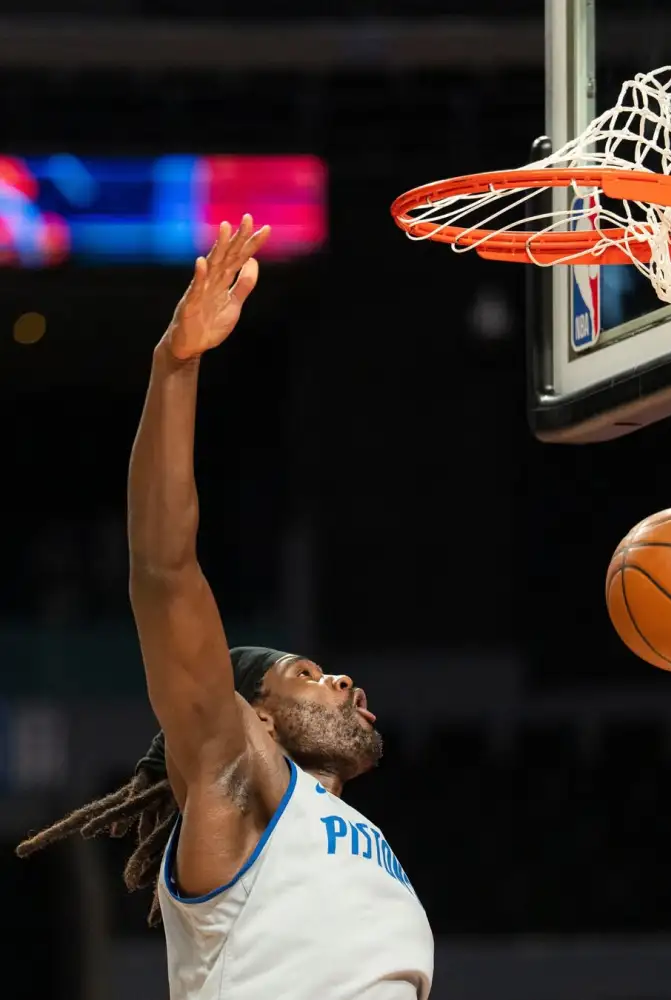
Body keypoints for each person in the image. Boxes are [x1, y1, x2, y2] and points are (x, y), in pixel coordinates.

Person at [16, 216, 434, 1000]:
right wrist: (175, 366)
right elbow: (164, 569)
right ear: (257, 716)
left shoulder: (344, 834)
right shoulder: (237, 775)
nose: (341, 680)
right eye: (307, 675)